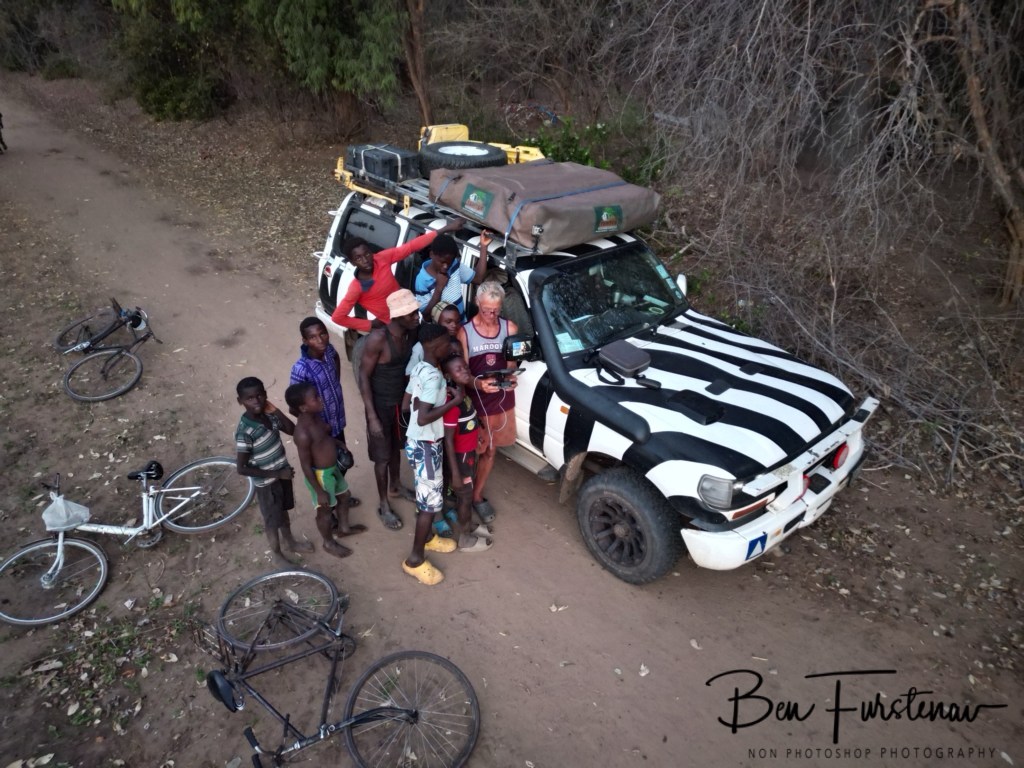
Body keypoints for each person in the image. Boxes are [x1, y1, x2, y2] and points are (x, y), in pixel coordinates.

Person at [401, 323, 463, 585]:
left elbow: (407, 404)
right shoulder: (435, 376)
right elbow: (424, 417)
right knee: (428, 506)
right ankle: (415, 560)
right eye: (447, 342)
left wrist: (438, 398)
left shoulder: (422, 368)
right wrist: (452, 402)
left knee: (426, 497)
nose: (451, 345)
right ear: (435, 345)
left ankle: (428, 539)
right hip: (425, 445)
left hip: (418, 442)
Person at [330, 217, 465, 332]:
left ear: (372, 252)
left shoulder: (380, 259)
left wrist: (446, 229)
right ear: (353, 263)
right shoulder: (357, 287)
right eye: (358, 258)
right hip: (394, 328)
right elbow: (338, 317)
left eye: (367, 254)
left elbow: (411, 247)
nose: (365, 260)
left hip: (411, 316)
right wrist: (369, 325)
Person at [234, 377, 314, 567]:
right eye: (250, 398)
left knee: (283, 511)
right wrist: (277, 475)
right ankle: (277, 555)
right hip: (267, 484)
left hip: (282, 474)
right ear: (241, 401)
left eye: (260, 395)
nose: (256, 401)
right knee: (272, 520)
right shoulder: (245, 432)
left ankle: (291, 542)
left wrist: (276, 411)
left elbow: (292, 431)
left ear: (266, 395)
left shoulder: (269, 416)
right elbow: (242, 468)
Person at [457, 280, 519, 525]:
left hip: (501, 400)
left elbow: (512, 364)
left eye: (496, 309)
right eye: (486, 310)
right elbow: (461, 374)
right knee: (469, 452)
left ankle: (476, 494)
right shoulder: (465, 332)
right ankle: (460, 493)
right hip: (476, 402)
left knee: (492, 449)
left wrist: (511, 378)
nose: (492, 315)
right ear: (477, 304)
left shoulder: (509, 328)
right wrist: (478, 384)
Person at [358, 288, 420, 530]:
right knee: (382, 457)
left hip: (398, 403)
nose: (416, 317)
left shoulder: (408, 334)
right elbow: (364, 375)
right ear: (397, 317)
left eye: (416, 312)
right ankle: (383, 504)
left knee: (396, 447)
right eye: (411, 314)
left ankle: (395, 486)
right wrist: (372, 416)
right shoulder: (378, 339)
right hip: (380, 405)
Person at [285, 381, 367, 559]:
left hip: (331, 470)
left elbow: (324, 439)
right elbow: (305, 465)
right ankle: (328, 542)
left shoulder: (316, 417)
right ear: (303, 407)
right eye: (315, 398)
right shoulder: (303, 433)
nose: (320, 399)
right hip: (320, 476)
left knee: (344, 496)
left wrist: (338, 444)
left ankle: (344, 528)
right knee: (324, 511)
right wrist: (318, 490)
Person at [289, 316, 360, 506]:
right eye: (313, 337)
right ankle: (329, 506)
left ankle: (340, 495)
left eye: (323, 334)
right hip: (321, 431)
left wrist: (334, 384)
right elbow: (294, 407)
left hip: (337, 421)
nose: (320, 340)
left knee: (342, 462)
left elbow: (335, 361)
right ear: (305, 341)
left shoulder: (329, 351)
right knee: (324, 468)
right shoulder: (301, 369)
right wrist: (316, 427)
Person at [441, 353, 493, 551]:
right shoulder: (451, 404)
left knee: (465, 495)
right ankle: (465, 538)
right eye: (458, 369)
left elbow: (470, 419)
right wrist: (455, 473)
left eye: (465, 367)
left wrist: (477, 431)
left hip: (468, 454)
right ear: (447, 374)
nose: (465, 371)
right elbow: (447, 439)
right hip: (461, 459)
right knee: (465, 496)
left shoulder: (462, 394)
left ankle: (467, 523)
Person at [414, 230, 492, 320]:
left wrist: (483, 247)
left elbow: (478, 278)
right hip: (442, 332)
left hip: (461, 325)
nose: (445, 267)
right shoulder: (422, 280)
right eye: (442, 262)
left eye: (449, 263)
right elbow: (426, 316)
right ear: (431, 254)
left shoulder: (454, 265)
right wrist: (439, 288)